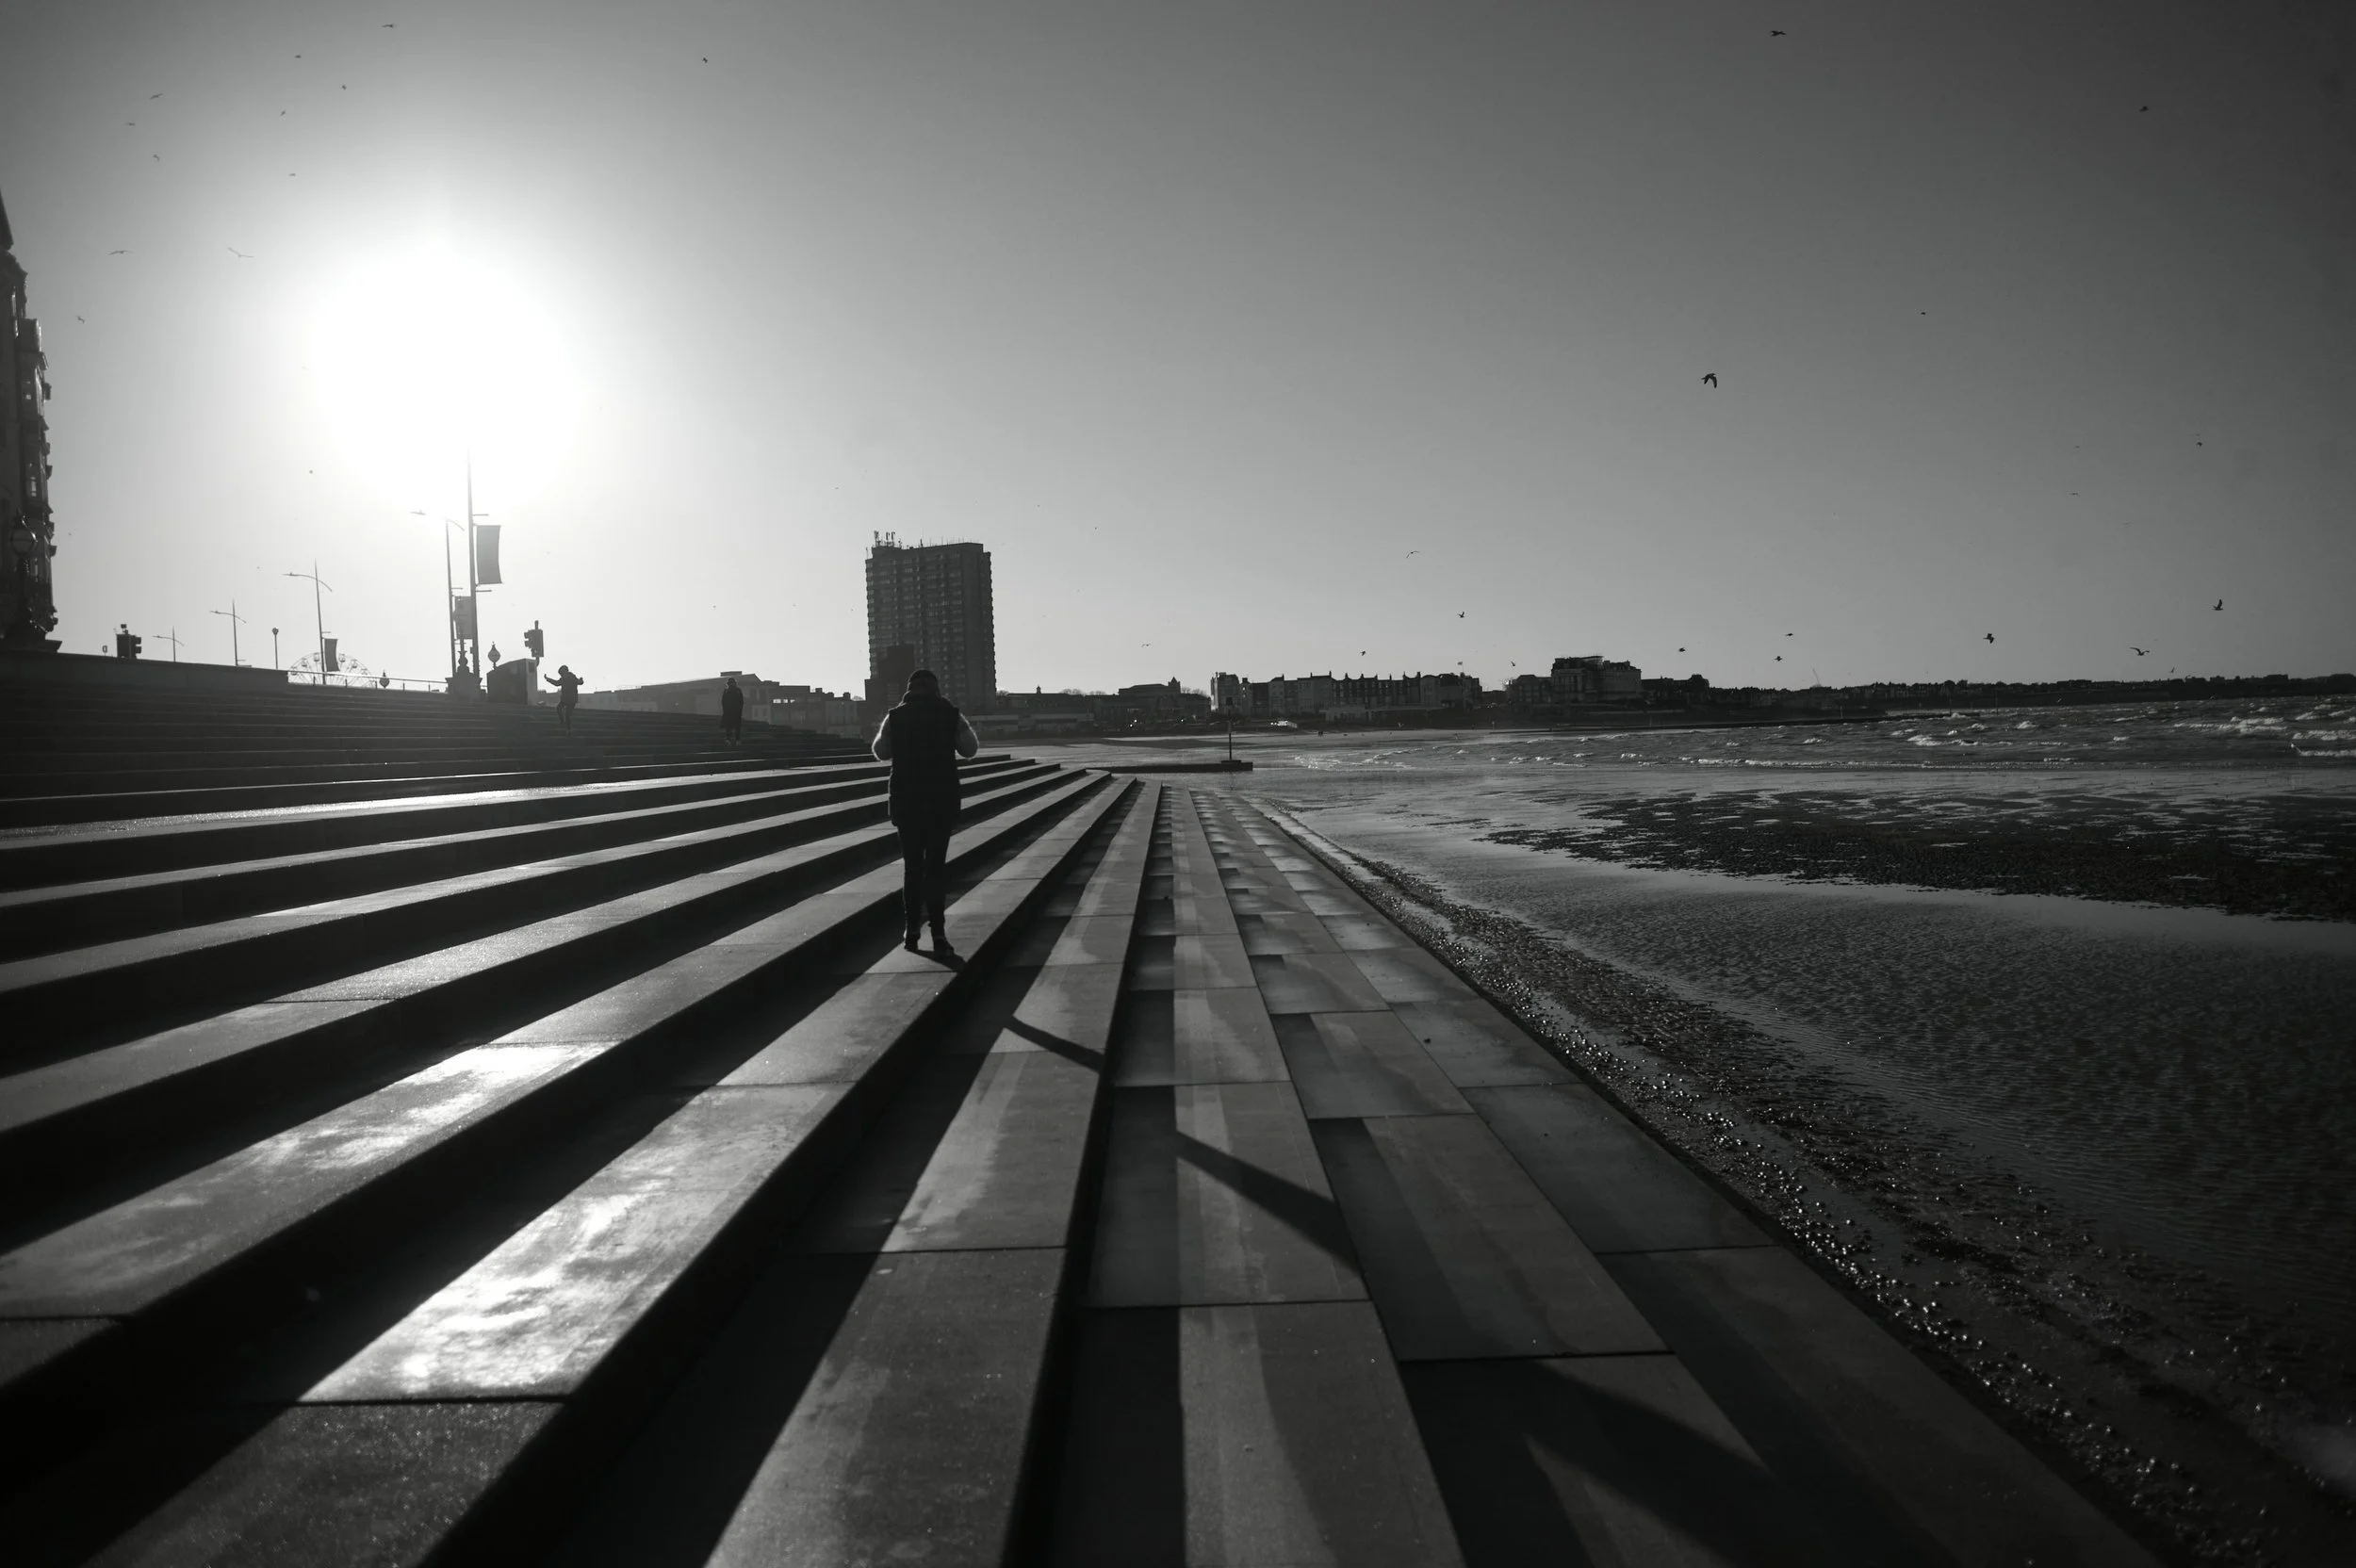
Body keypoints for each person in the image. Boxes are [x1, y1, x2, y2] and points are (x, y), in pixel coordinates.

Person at [872, 668, 979, 952]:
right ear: (935, 689)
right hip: (940, 800)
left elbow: (881, 751)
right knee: (935, 868)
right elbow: (970, 749)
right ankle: (939, 933)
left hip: (906, 801)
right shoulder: (950, 714)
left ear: (910, 689)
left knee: (912, 868)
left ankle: (911, 930)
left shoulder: (895, 716)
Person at [543, 662, 582, 731]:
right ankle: (562, 721)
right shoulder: (562, 679)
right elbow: (556, 683)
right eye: (561, 675)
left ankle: (568, 730)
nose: (561, 676)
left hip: (572, 700)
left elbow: (579, 682)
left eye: (562, 674)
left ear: (566, 672)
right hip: (565, 699)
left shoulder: (572, 677)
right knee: (558, 708)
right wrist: (548, 679)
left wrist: (581, 680)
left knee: (567, 715)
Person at [720, 677, 744, 744]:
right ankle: (734, 739)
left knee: (732, 726)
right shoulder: (734, 691)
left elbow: (741, 701)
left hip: (733, 712)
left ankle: (733, 739)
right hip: (732, 712)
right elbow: (723, 701)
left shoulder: (736, 691)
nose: (731, 685)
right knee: (732, 726)